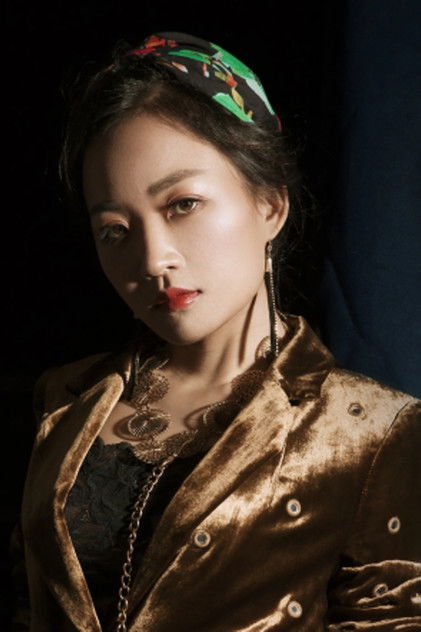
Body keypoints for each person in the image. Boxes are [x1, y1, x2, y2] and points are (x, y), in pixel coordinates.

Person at [12, 32, 421, 632]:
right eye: (115, 231)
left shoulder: (372, 430)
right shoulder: (62, 400)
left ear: (270, 205)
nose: (153, 259)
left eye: (182, 204)